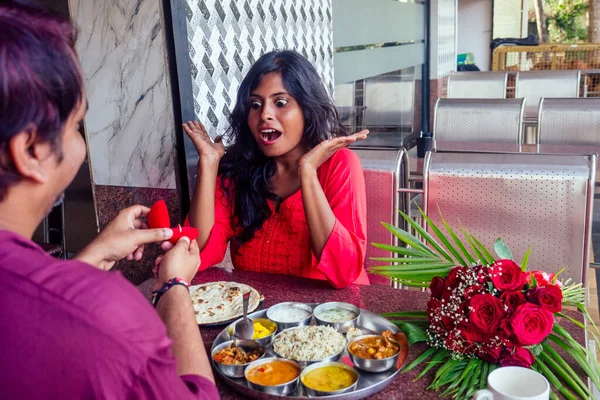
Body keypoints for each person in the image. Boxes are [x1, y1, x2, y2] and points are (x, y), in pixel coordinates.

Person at [0, 3, 217, 399]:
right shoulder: (103, 314)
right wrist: (173, 286)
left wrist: (93, 254)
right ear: (31, 150)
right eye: (76, 125)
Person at [183, 50, 369, 289]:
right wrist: (208, 164)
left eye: (281, 102)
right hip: (256, 320)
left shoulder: (340, 164)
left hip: (329, 317)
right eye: (255, 104)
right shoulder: (238, 169)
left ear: (306, 107)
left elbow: (344, 272)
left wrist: (308, 172)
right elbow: (194, 253)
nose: (265, 115)